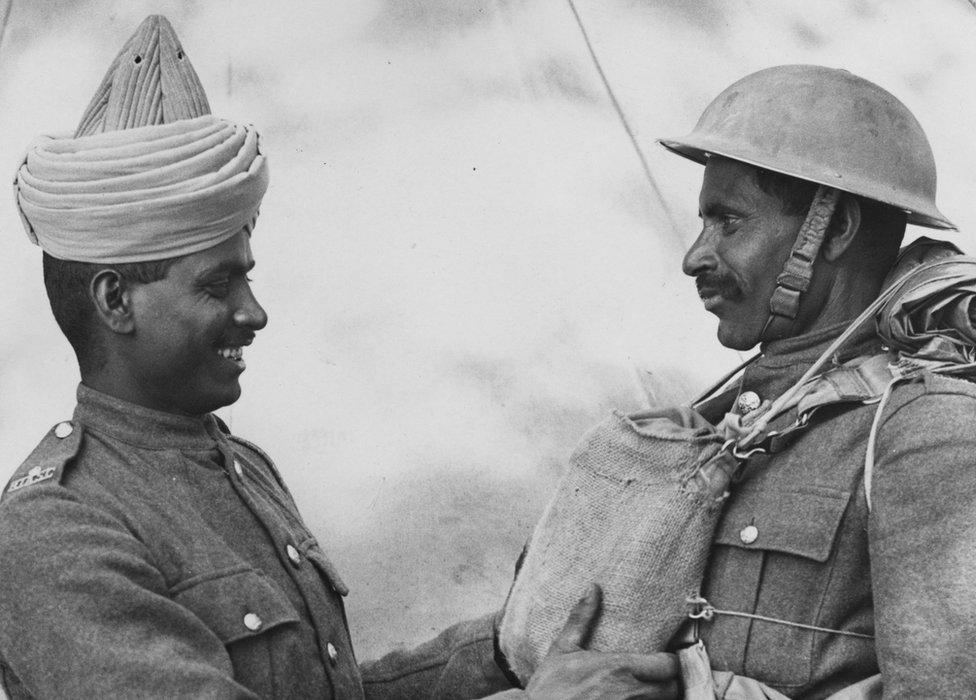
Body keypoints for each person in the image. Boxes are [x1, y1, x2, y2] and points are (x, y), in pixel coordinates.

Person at [0, 15, 676, 700]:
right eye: (217, 284)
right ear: (116, 301)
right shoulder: (55, 533)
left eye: (248, 276)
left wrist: (506, 649)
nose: (254, 313)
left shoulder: (240, 467)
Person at [362, 66, 976, 698]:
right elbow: (538, 639)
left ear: (835, 228)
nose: (694, 257)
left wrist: (683, 693)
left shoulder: (923, 429)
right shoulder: (730, 413)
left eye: (729, 222)